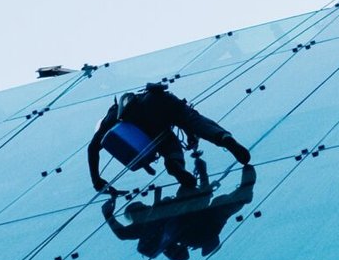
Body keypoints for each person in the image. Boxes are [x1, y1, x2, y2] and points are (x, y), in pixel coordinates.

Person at [87, 81, 251, 196]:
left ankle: (174, 164)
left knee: (167, 143)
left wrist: (96, 180)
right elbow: (186, 123)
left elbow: (93, 148)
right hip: (159, 98)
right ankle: (223, 138)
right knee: (194, 120)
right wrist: (190, 136)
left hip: (143, 120)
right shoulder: (137, 98)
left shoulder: (112, 118)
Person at [102, 160, 257, 260]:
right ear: (136, 212)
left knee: (219, 208)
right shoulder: (150, 220)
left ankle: (242, 196)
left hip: (195, 232)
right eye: (140, 206)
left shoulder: (148, 225)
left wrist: (108, 215)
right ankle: (242, 196)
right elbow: (201, 196)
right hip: (195, 226)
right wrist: (107, 214)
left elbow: (201, 196)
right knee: (218, 207)